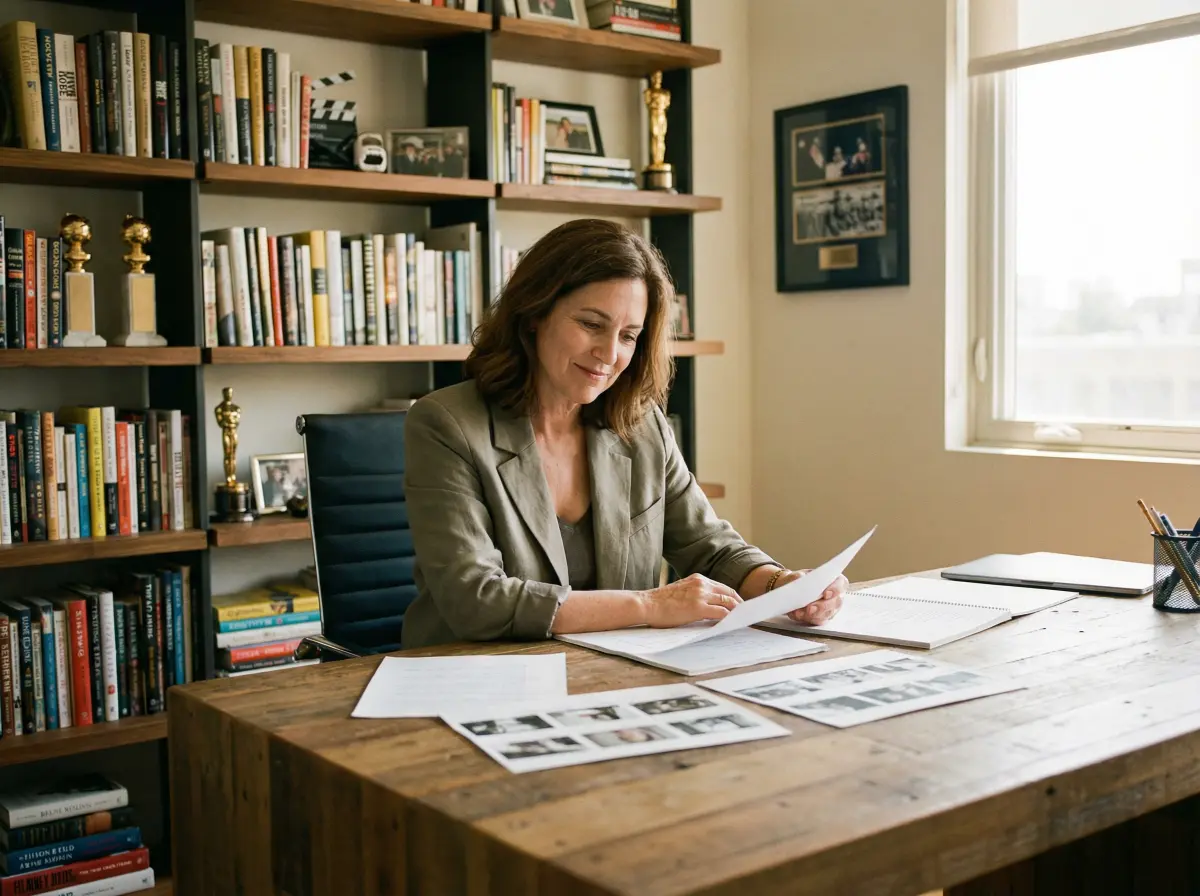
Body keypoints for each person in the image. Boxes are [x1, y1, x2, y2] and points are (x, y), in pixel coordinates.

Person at [400, 219, 847, 650]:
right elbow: (475, 599)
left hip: (612, 676)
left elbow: (709, 549)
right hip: (473, 678)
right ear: (535, 313)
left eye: (629, 336)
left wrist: (783, 584)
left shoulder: (641, 425)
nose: (609, 354)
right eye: (591, 325)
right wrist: (647, 605)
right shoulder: (446, 424)